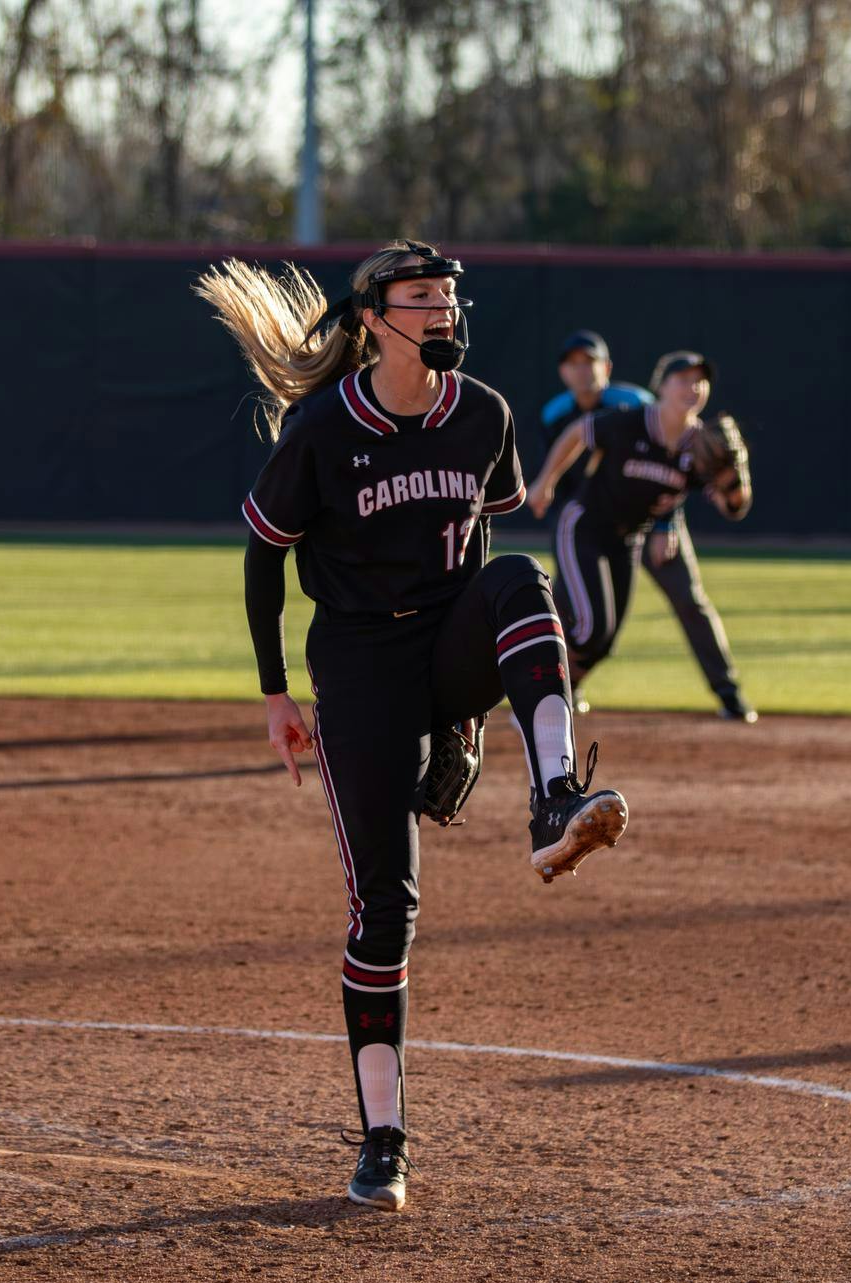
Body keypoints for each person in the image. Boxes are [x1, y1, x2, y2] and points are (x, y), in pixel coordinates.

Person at [195, 240, 629, 1214]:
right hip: (355, 668)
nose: (441, 311)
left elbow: (480, 536)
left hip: (440, 645)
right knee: (384, 913)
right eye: (420, 296)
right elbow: (263, 562)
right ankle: (381, 1139)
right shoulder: (321, 429)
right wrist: (274, 697)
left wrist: (466, 716)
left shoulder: (483, 413)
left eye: (448, 295)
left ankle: (553, 797)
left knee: (520, 577)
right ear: (373, 318)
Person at [527, 349, 756, 722]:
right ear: (661, 387)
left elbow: (734, 508)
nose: (692, 387)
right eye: (682, 379)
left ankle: (560, 692)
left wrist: (735, 476)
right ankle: (535, 680)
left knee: (604, 641)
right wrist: (545, 482)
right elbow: (578, 431)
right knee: (588, 628)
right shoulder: (631, 422)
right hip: (586, 525)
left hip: (630, 538)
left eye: (699, 380)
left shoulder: (703, 446)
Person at [539, 330, 655, 495]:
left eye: (589, 362)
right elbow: (549, 474)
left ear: (607, 368)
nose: (581, 370)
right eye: (573, 363)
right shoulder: (553, 415)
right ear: (562, 371)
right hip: (579, 508)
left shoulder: (637, 405)